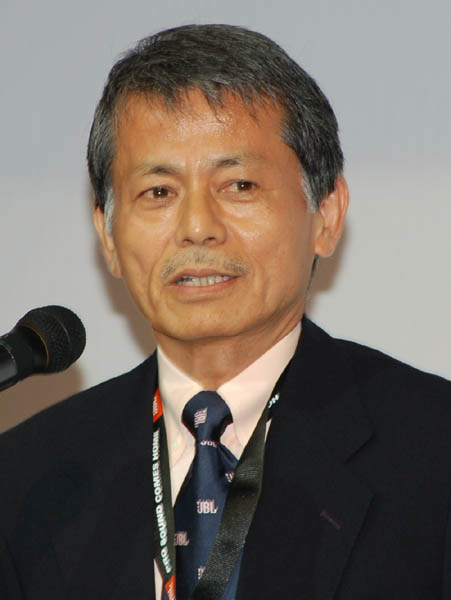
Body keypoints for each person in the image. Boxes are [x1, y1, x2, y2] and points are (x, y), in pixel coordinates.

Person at [1, 23, 451, 600]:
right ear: (107, 235)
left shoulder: (434, 451)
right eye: (158, 192)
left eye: (238, 185)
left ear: (327, 214)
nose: (197, 227)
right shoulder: (27, 477)